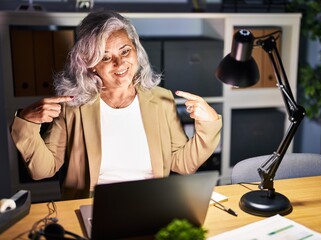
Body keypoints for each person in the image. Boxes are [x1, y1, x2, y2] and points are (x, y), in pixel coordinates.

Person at [10, 10, 222, 200]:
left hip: (151, 202)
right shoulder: (73, 106)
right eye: (105, 57)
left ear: (136, 51)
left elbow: (183, 164)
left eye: (125, 51)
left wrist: (209, 124)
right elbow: (42, 170)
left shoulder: (162, 100)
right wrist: (26, 122)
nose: (120, 64)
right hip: (91, 205)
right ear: (90, 64)